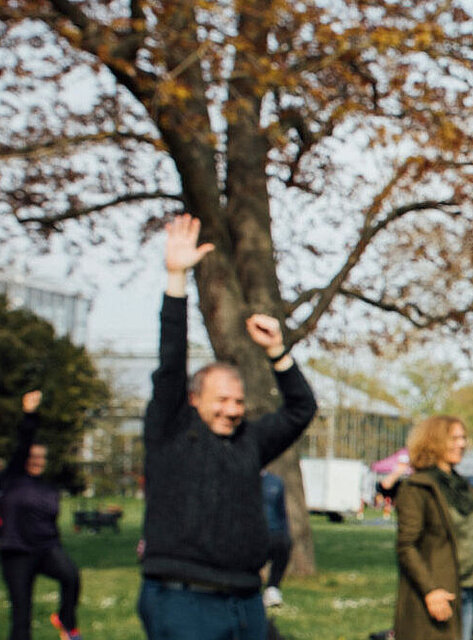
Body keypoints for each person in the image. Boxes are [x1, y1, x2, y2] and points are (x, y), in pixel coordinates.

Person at [136, 214, 319, 640]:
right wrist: (177, 279)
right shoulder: (170, 431)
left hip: (244, 601)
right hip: (183, 601)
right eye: (222, 400)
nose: (232, 410)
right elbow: (170, 361)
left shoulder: (249, 441)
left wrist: (277, 350)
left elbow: (300, 408)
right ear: (195, 399)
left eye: (238, 401)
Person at [392, 416, 473, 640]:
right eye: (454, 438)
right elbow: (407, 546)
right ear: (434, 441)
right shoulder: (418, 487)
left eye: (463, 438)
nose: (462, 444)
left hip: (465, 590)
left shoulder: (458, 487)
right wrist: (430, 591)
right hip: (439, 592)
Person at [0, 390, 82, 640]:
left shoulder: (47, 485)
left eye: (42, 457)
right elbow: (24, 440)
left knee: (71, 576)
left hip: (47, 548)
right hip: (17, 551)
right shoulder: (14, 478)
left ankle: (66, 621)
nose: (38, 460)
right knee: (22, 614)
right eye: (34, 456)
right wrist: (29, 414)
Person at [261, 470, 292, 608]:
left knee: (284, 545)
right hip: (251, 532)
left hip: (274, 532)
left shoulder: (275, 482)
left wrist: (285, 532)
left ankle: (272, 589)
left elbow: (282, 511)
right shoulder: (242, 479)